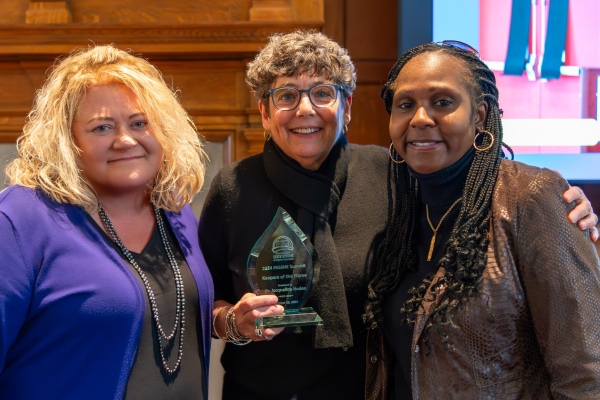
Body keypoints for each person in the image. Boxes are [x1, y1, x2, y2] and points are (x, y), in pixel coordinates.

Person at [198, 31, 597, 400]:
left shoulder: (393, 175)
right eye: (286, 96)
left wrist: (563, 209)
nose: (305, 109)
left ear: (347, 106)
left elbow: (477, 186)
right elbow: (203, 299)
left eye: (322, 93)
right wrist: (232, 322)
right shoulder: (233, 187)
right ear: (265, 113)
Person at [364, 41, 600, 399]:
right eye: (405, 105)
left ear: (479, 115)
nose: (420, 118)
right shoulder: (399, 210)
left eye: (442, 102)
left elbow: (586, 373)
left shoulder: (532, 198)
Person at [0, 45, 214, 399]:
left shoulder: (174, 210)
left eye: (140, 123)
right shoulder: (21, 218)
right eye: (101, 127)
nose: (126, 139)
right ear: (66, 142)